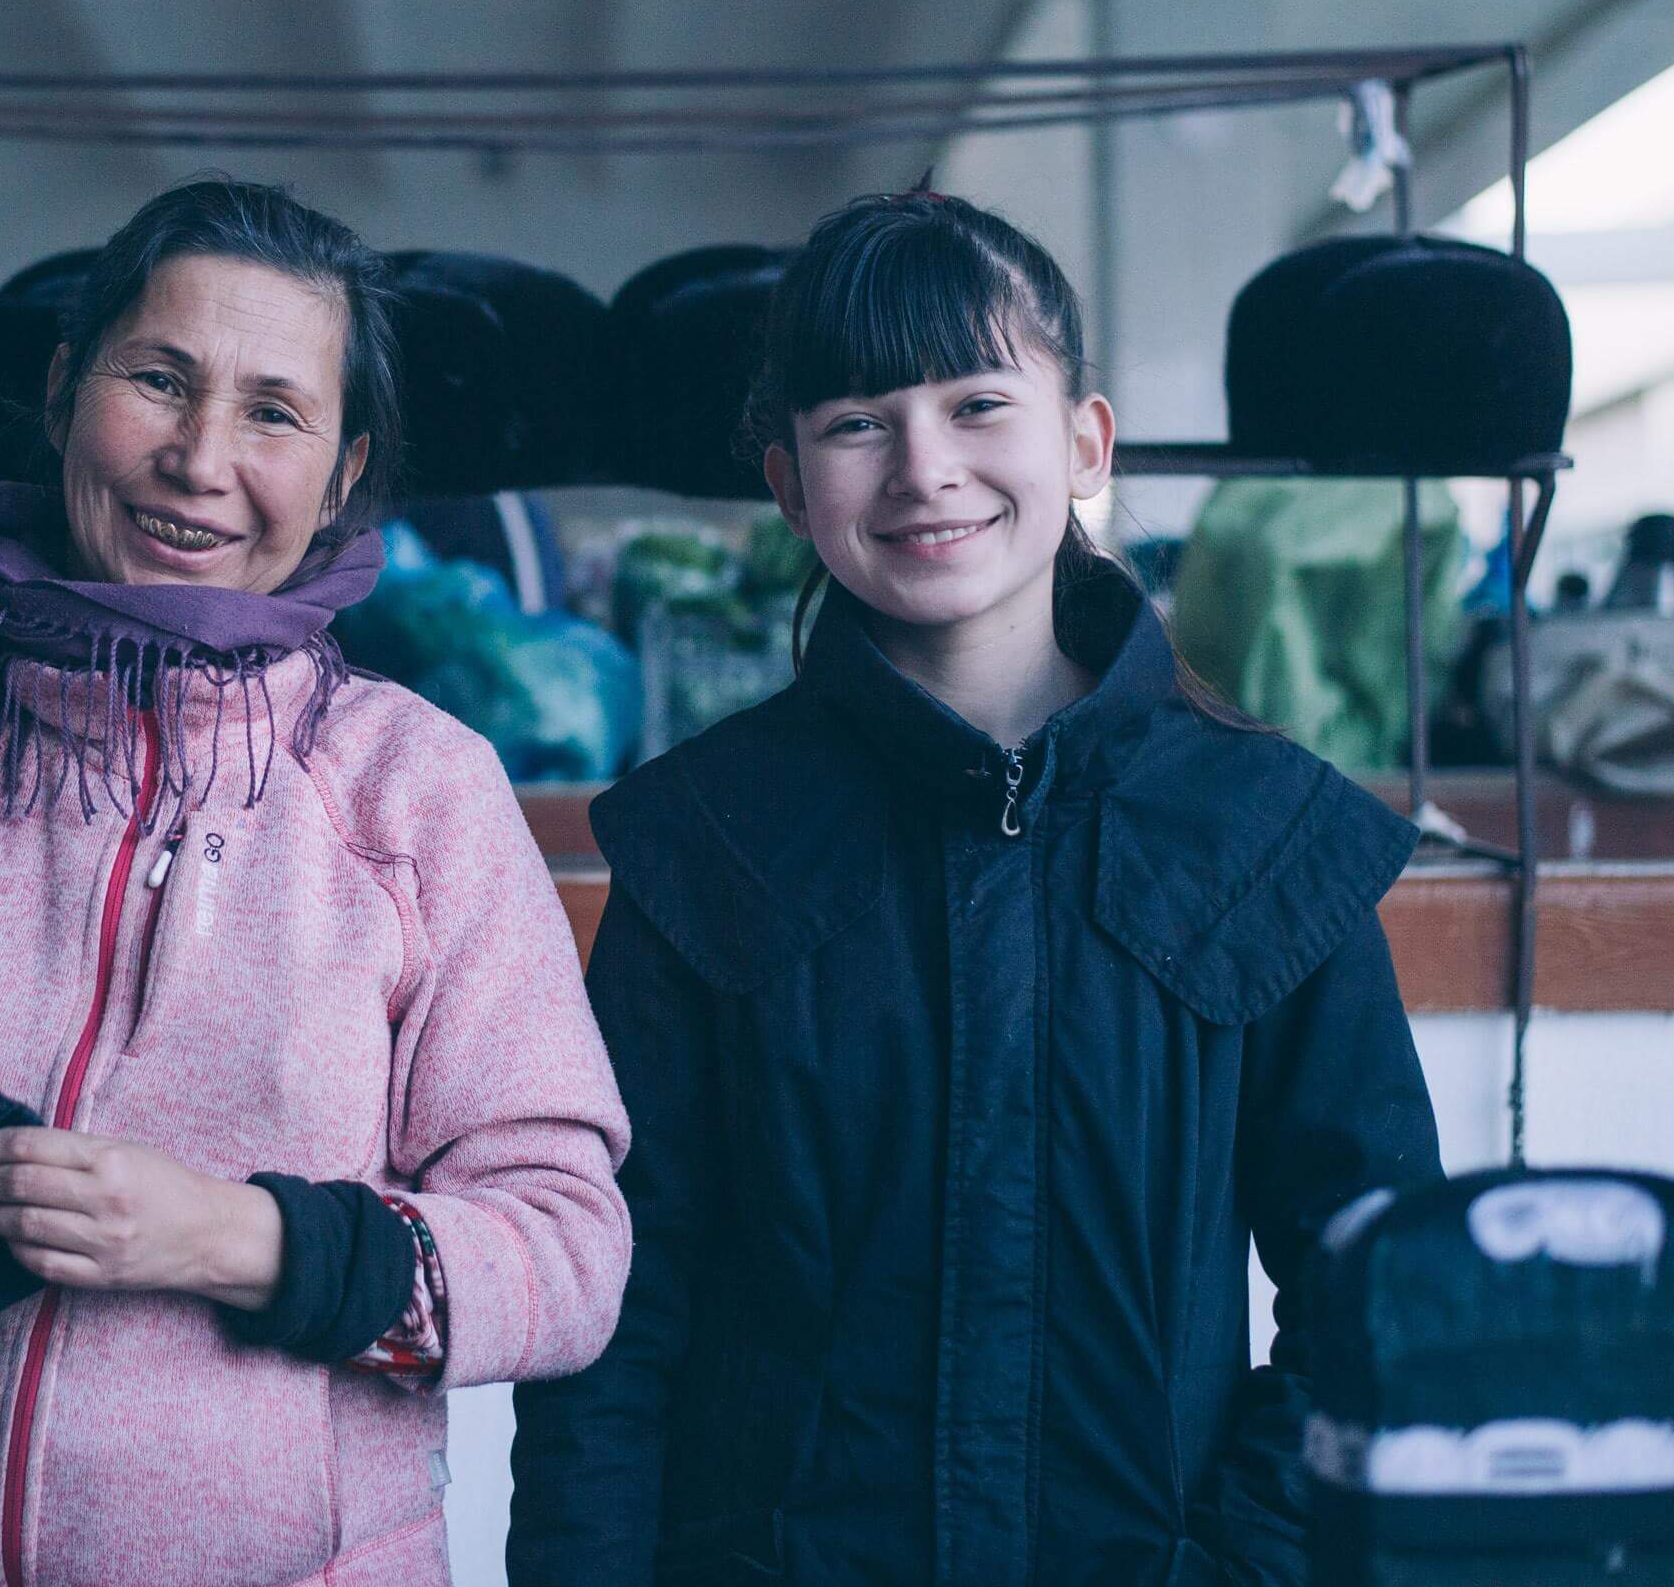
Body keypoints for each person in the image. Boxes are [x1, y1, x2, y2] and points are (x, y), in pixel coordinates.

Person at [0, 179, 631, 1587]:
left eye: (274, 412)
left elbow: (568, 1258)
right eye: (159, 380)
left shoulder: (415, 792)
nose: (199, 458)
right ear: (64, 394)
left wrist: (233, 1239)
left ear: (342, 473)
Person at [508, 189, 1440, 1585]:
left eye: (977, 404)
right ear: (789, 484)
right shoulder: (710, 838)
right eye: (857, 423)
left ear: (1085, 442)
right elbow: (612, 1319)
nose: (924, 469)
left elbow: (1376, 1297)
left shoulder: (1262, 831)